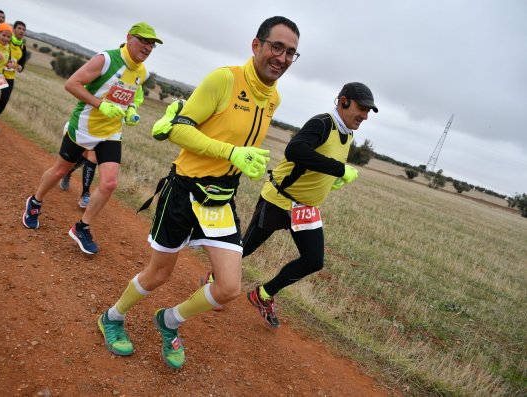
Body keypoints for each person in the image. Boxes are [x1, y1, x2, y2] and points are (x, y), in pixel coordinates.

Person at [97, 16, 300, 370]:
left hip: (221, 200)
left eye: (291, 53)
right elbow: (178, 129)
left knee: (228, 288)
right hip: (183, 193)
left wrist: (242, 160)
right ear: (257, 45)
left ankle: (169, 321)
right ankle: (112, 317)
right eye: (276, 47)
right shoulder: (224, 79)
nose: (282, 58)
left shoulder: (274, 99)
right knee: (158, 275)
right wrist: (231, 153)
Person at [207, 82, 378, 328]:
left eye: (368, 112)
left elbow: (320, 162)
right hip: (279, 200)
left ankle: (263, 295)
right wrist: (339, 169)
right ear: (343, 102)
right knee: (246, 248)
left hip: (306, 209)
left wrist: (332, 180)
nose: (364, 116)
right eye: (362, 109)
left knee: (313, 260)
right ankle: (214, 281)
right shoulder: (322, 123)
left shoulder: (348, 133)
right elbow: (295, 151)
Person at [22, 22, 160, 255]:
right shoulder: (105, 59)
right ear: (129, 38)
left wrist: (133, 109)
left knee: (109, 183)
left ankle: (82, 227)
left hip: (111, 133)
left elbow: (135, 94)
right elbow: (71, 84)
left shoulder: (142, 72)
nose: (148, 47)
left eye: (152, 44)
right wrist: (100, 105)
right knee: (60, 171)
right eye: (144, 41)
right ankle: (35, 202)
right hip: (84, 127)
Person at [0, 20, 27, 134]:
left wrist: (19, 67)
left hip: (10, 77)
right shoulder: (6, 41)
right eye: (19, 28)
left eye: (24, 29)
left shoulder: (23, 47)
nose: (21, 31)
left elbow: (22, 64)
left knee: (4, 100)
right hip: (0, 73)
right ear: (13, 29)